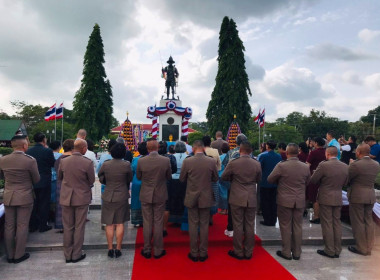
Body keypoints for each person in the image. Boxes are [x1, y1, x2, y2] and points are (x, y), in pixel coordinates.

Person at [0, 135, 40, 263]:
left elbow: (2, 176)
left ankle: (10, 255)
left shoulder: (3, 159)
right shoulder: (30, 160)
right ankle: (19, 254)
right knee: (22, 225)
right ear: (24, 146)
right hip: (24, 196)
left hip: (8, 195)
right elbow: (36, 179)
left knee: (9, 226)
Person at [268, 143, 310, 261]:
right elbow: (308, 181)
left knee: (285, 226)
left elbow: (270, 179)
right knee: (298, 226)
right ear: (298, 152)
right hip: (299, 200)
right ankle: (297, 252)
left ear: (286, 153)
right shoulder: (305, 166)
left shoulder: (282, 166)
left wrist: (280, 182)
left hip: (284, 200)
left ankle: (286, 251)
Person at [221, 141, 262, 260]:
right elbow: (259, 179)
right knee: (249, 225)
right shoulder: (256, 164)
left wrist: (234, 179)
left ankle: (238, 251)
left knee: (237, 224)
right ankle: (249, 252)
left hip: (237, 196)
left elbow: (223, 177)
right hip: (251, 196)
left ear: (240, 150)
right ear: (250, 151)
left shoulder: (234, 163)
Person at [180, 140, 218, 262]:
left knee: (193, 224)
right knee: (204, 224)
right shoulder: (211, 161)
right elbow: (215, 178)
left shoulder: (188, 161)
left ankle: (193, 252)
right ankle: (203, 252)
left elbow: (182, 179)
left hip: (192, 195)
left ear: (194, 148)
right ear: (203, 148)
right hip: (206, 196)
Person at [58, 139, 95, 263]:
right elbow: (91, 181)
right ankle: (76, 254)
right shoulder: (87, 163)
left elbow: (60, 177)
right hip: (81, 198)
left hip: (66, 197)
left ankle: (68, 254)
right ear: (84, 148)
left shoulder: (63, 161)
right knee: (79, 227)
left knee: (68, 227)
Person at [309, 146, 349, 258]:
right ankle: (337, 249)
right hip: (338, 196)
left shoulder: (323, 165)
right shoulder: (345, 166)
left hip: (326, 197)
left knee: (327, 223)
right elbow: (346, 182)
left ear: (327, 154)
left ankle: (329, 250)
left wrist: (316, 173)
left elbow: (313, 180)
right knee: (336, 223)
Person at [137, 139, 172, 259]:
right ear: (157, 147)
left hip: (146, 193)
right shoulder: (165, 160)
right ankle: (158, 250)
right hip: (160, 193)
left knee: (147, 222)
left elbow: (139, 176)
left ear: (147, 149)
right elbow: (168, 176)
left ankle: (147, 249)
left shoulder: (141, 161)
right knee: (158, 221)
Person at [98, 143, 133, 258]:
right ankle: (118, 248)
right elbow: (129, 178)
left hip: (108, 194)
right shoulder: (126, 165)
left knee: (109, 223)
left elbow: (100, 175)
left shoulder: (106, 164)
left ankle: (109, 248)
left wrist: (106, 181)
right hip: (122, 195)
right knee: (119, 223)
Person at [347, 143, 380, 256]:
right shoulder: (376, 164)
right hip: (370, 195)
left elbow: (347, 179)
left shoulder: (355, 165)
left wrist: (350, 165)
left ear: (358, 152)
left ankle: (361, 248)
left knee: (358, 222)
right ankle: (369, 247)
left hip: (357, 196)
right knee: (368, 221)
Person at [26, 132, 55, 233]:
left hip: (32, 181)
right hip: (44, 180)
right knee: (44, 203)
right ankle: (43, 225)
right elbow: (53, 163)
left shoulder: (28, 151)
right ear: (44, 140)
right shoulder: (47, 151)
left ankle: (33, 225)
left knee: (33, 203)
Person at [224, 133, 248, 238]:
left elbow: (225, 168)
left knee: (232, 207)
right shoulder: (249, 153)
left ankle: (231, 228)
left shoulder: (230, 153)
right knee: (245, 209)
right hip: (247, 185)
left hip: (233, 184)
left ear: (236, 142)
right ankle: (244, 229)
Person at [259, 140, 282, 226]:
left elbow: (259, 168)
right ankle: (273, 219)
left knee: (265, 202)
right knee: (273, 202)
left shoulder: (263, 156)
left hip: (265, 182)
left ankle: (267, 219)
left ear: (267, 146)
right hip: (275, 182)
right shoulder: (278, 156)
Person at [54, 139, 74, 232]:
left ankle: (61, 225)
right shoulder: (73, 159)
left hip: (60, 184)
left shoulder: (59, 159)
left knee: (60, 206)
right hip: (71, 185)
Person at [158, 140, 177, 237]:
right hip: (167, 182)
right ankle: (164, 227)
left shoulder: (151, 158)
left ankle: (157, 227)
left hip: (155, 183)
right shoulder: (170, 157)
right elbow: (174, 169)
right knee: (166, 205)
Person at [306, 137, 326, 224]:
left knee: (315, 198)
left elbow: (307, 165)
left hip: (314, 177)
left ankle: (317, 216)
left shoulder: (313, 153)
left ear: (316, 143)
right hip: (325, 177)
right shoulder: (326, 152)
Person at [203, 135, 221, 225]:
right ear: (210, 142)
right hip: (213, 177)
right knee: (213, 197)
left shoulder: (200, 151)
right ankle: (210, 217)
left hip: (202, 178)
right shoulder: (215, 151)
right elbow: (219, 166)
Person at [169, 141, 188, 224]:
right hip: (183, 180)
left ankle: (173, 218)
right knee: (182, 198)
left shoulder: (171, 156)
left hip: (173, 179)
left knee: (173, 199)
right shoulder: (188, 157)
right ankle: (181, 218)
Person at [131, 142, 148, 227]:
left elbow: (132, 170)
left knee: (136, 201)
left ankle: (137, 220)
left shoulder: (135, 159)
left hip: (136, 182)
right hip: (147, 182)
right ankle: (147, 219)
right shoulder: (149, 159)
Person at [218, 142, 230, 214]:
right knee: (228, 192)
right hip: (228, 176)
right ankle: (228, 209)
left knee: (222, 193)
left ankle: (223, 209)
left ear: (221, 150)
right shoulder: (230, 157)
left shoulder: (219, 158)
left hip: (220, 176)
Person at [49, 141, 62, 208]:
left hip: (49, 176)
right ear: (59, 147)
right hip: (57, 177)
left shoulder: (48, 154)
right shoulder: (61, 156)